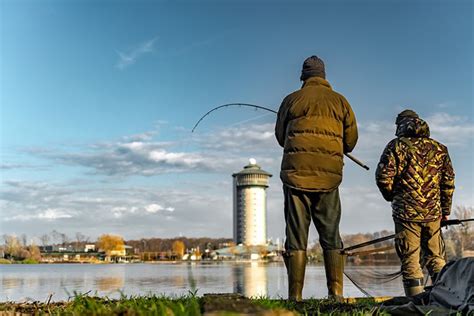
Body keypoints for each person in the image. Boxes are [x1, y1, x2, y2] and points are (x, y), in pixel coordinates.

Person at [275, 55, 358, 301]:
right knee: (331, 234)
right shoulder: (341, 101)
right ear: (324, 76)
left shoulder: (291, 100)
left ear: (303, 76)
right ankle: (336, 295)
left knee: (296, 236)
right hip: (329, 179)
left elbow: (281, 137)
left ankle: (295, 297)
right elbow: (350, 142)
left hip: (295, 177)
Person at [375, 110, 455, 296]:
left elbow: (382, 177)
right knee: (436, 258)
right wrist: (445, 210)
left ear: (400, 125)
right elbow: (448, 183)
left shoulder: (396, 146)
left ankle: (415, 305)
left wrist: (392, 196)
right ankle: (442, 300)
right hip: (433, 214)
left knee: (410, 259)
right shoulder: (440, 149)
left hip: (406, 213)